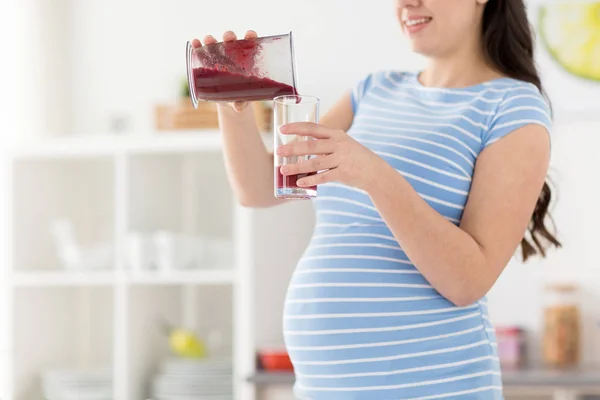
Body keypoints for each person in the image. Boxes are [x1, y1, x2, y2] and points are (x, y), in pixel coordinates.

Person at [193, 0, 561, 398]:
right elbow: (259, 188)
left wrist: (373, 175)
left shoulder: (512, 107)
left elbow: (467, 281)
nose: (406, 4)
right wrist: (233, 109)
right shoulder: (373, 90)